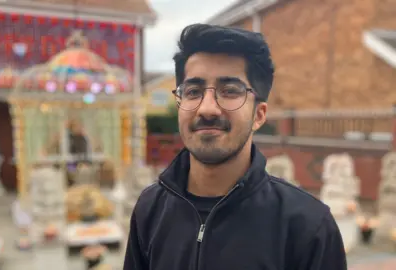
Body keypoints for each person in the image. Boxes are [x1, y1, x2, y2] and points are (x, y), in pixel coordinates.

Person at [123, 24, 346, 270]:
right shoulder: (150, 209)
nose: (207, 108)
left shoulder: (308, 227)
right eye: (193, 91)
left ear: (259, 115)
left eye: (229, 91)